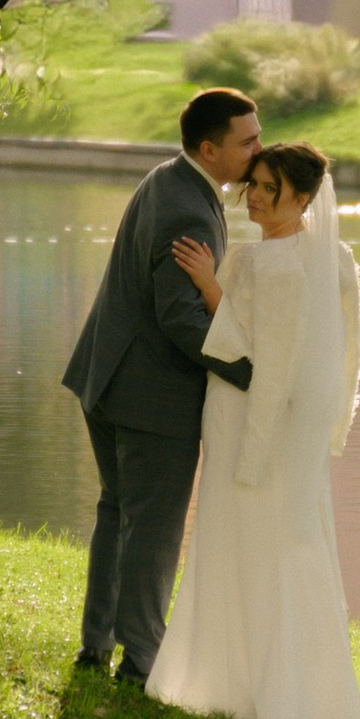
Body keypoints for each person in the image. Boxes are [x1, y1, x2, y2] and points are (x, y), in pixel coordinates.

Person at [150, 140, 360, 719]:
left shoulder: (264, 264)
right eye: (255, 185)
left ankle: (253, 689)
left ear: (302, 198)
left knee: (257, 537)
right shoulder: (334, 259)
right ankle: (271, 687)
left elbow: (251, 349)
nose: (256, 197)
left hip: (251, 414)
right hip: (279, 422)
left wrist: (206, 283)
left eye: (271, 189)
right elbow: (336, 350)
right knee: (278, 538)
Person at [62, 87, 262, 684]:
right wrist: (251, 371)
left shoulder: (168, 178)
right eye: (247, 141)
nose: (258, 148)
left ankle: (97, 645)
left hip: (107, 374)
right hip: (151, 395)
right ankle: (142, 659)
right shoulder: (190, 210)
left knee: (119, 510)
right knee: (153, 527)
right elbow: (180, 316)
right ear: (211, 148)